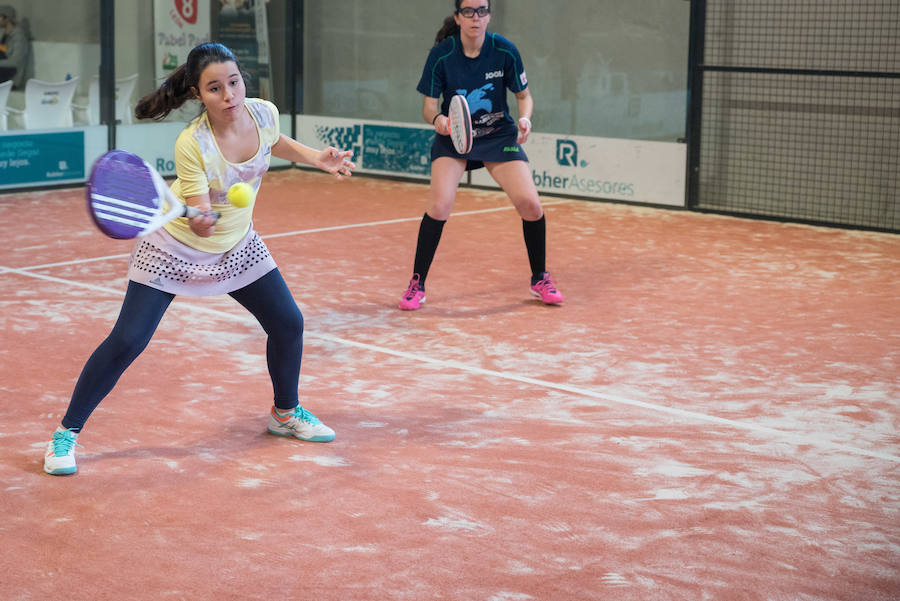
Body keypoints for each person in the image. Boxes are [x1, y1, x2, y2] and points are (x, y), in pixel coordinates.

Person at [43, 42, 355, 476]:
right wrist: (202, 217)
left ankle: (285, 413)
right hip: (174, 250)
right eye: (215, 88)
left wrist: (314, 157)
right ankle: (66, 433)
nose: (230, 95)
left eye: (234, 82)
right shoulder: (193, 143)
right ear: (197, 95)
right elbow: (196, 216)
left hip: (237, 246)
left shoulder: (262, 111)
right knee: (128, 340)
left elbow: (273, 140)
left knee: (288, 322)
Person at [398, 0, 563, 311]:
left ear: (489, 15)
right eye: (469, 11)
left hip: (498, 136)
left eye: (482, 10)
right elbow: (429, 107)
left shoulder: (504, 50)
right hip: (454, 138)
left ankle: (540, 277)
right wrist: (438, 121)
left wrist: (525, 119)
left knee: (531, 204)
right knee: (440, 206)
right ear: (458, 17)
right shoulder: (442, 55)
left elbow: (524, 96)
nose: (476, 17)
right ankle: (417, 283)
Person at [0, 5, 33, 89]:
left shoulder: (19, 37)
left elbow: (15, 62)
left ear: (7, 19)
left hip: (12, 79)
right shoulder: (5, 35)